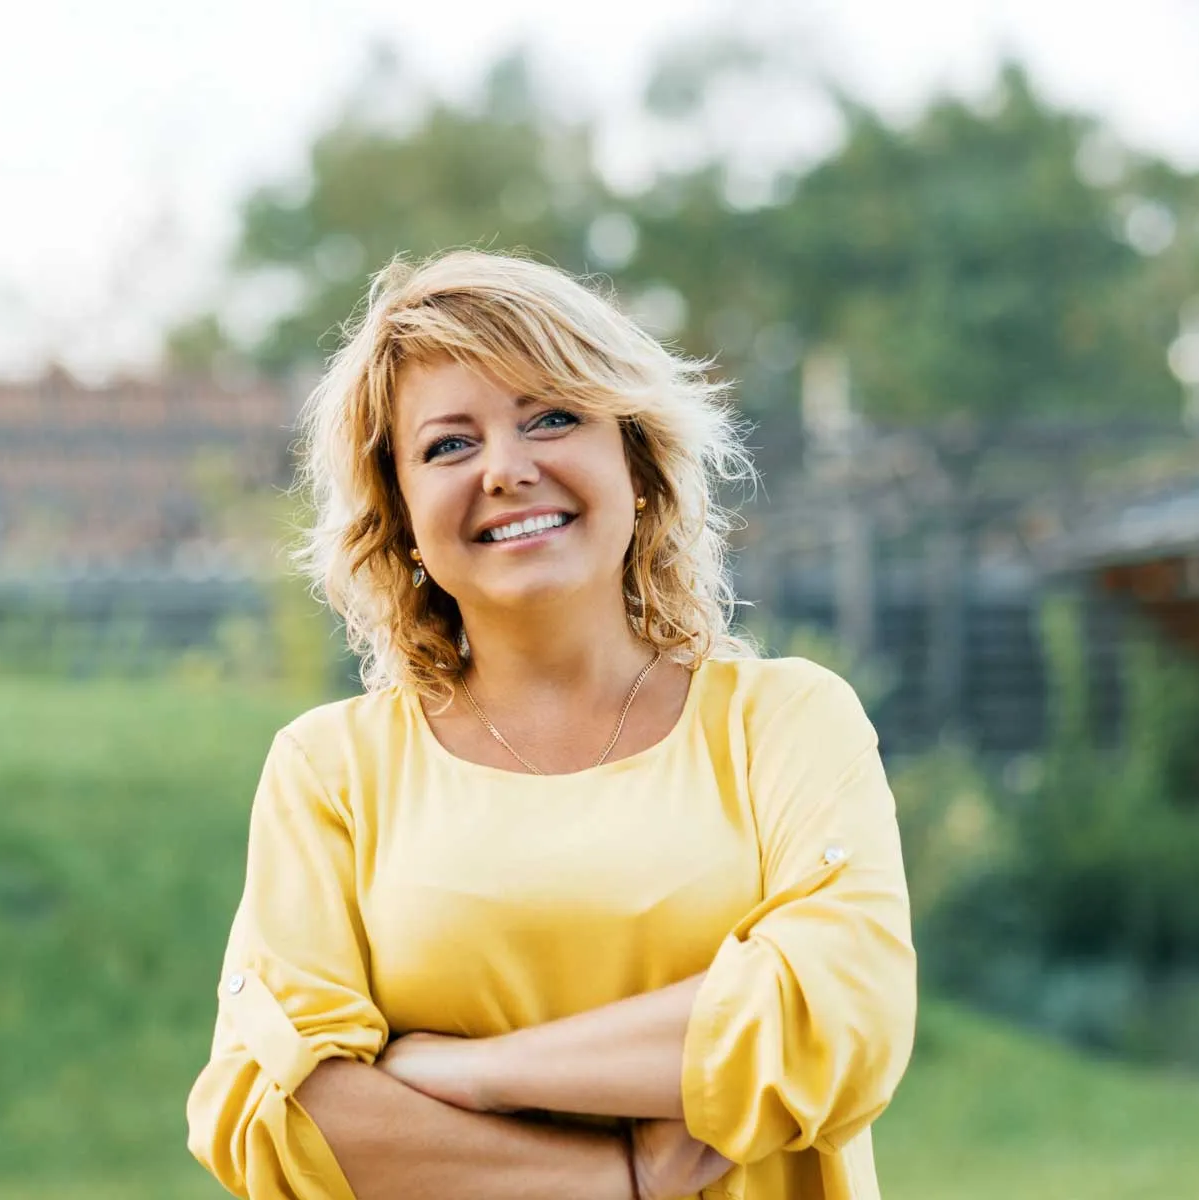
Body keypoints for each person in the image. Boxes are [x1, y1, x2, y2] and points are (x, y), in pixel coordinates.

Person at [185, 249, 916, 1200]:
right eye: (449, 445)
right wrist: (626, 1178)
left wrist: (472, 1071)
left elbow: (838, 1014)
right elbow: (272, 1108)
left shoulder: (786, 721)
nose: (507, 469)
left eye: (553, 417)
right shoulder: (330, 770)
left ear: (637, 459)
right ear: (399, 513)